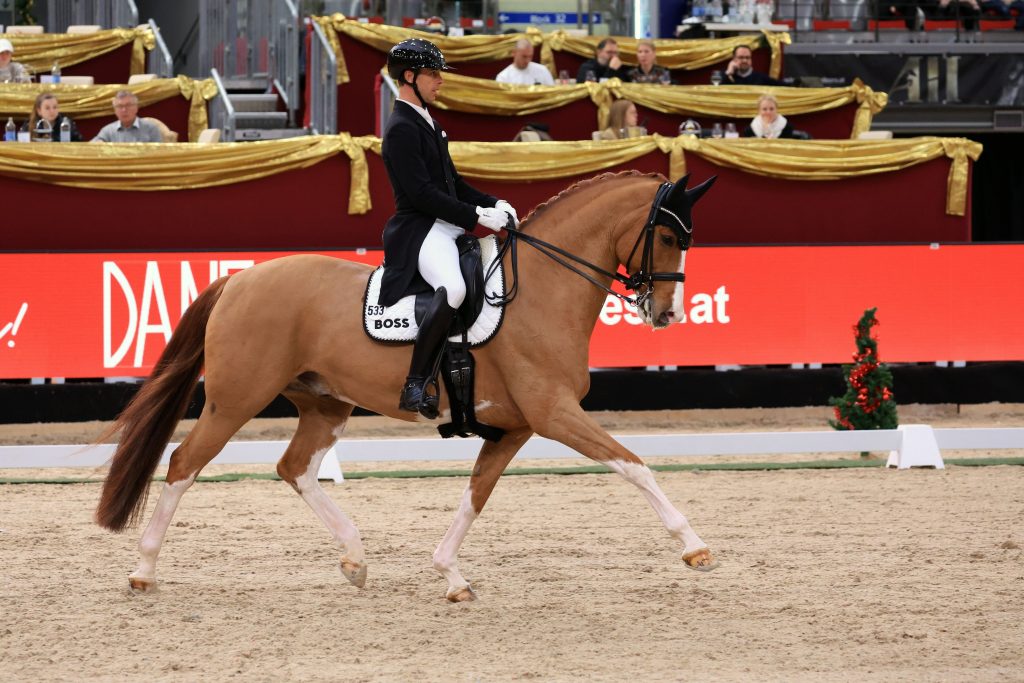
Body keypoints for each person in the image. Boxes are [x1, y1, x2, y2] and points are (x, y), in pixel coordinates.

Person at [380, 38, 519, 418]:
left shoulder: (428, 123)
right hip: (421, 229)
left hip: (444, 224)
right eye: (433, 73)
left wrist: (492, 203)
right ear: (409, 76)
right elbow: (422, 194)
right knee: (454, 288)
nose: (440, 81)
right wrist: (475, 218)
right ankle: (415, 382)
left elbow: (453, 183)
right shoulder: (401, 129)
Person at [91, 90, 162, 143]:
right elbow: (92, 145)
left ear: (136, 108)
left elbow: (160, 153)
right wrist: (98, 143)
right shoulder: (108, 130)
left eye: (128, 105)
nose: (124, 110)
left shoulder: (151, 128)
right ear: (115, 110)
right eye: (119, 106)